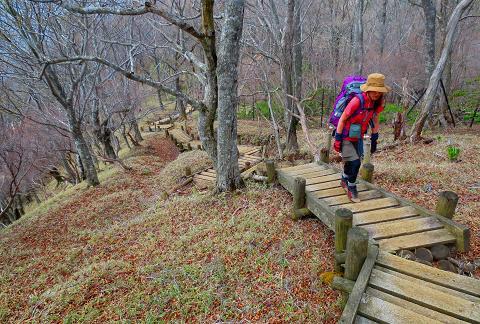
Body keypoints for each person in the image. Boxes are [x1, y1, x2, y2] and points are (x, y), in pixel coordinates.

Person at [333, 73, 391, 202]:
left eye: (379, 91)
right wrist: (337, 139)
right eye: (374, 91)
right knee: (355, 162)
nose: (377, 94)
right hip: (345, 135)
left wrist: (374, 138)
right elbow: (342, 119)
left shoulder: (377, 103)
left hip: (358, 136)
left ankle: (344, 179)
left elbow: (375, 120)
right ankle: (351, 187)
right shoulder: (357, 101)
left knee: (351, 161)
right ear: (368, 89)